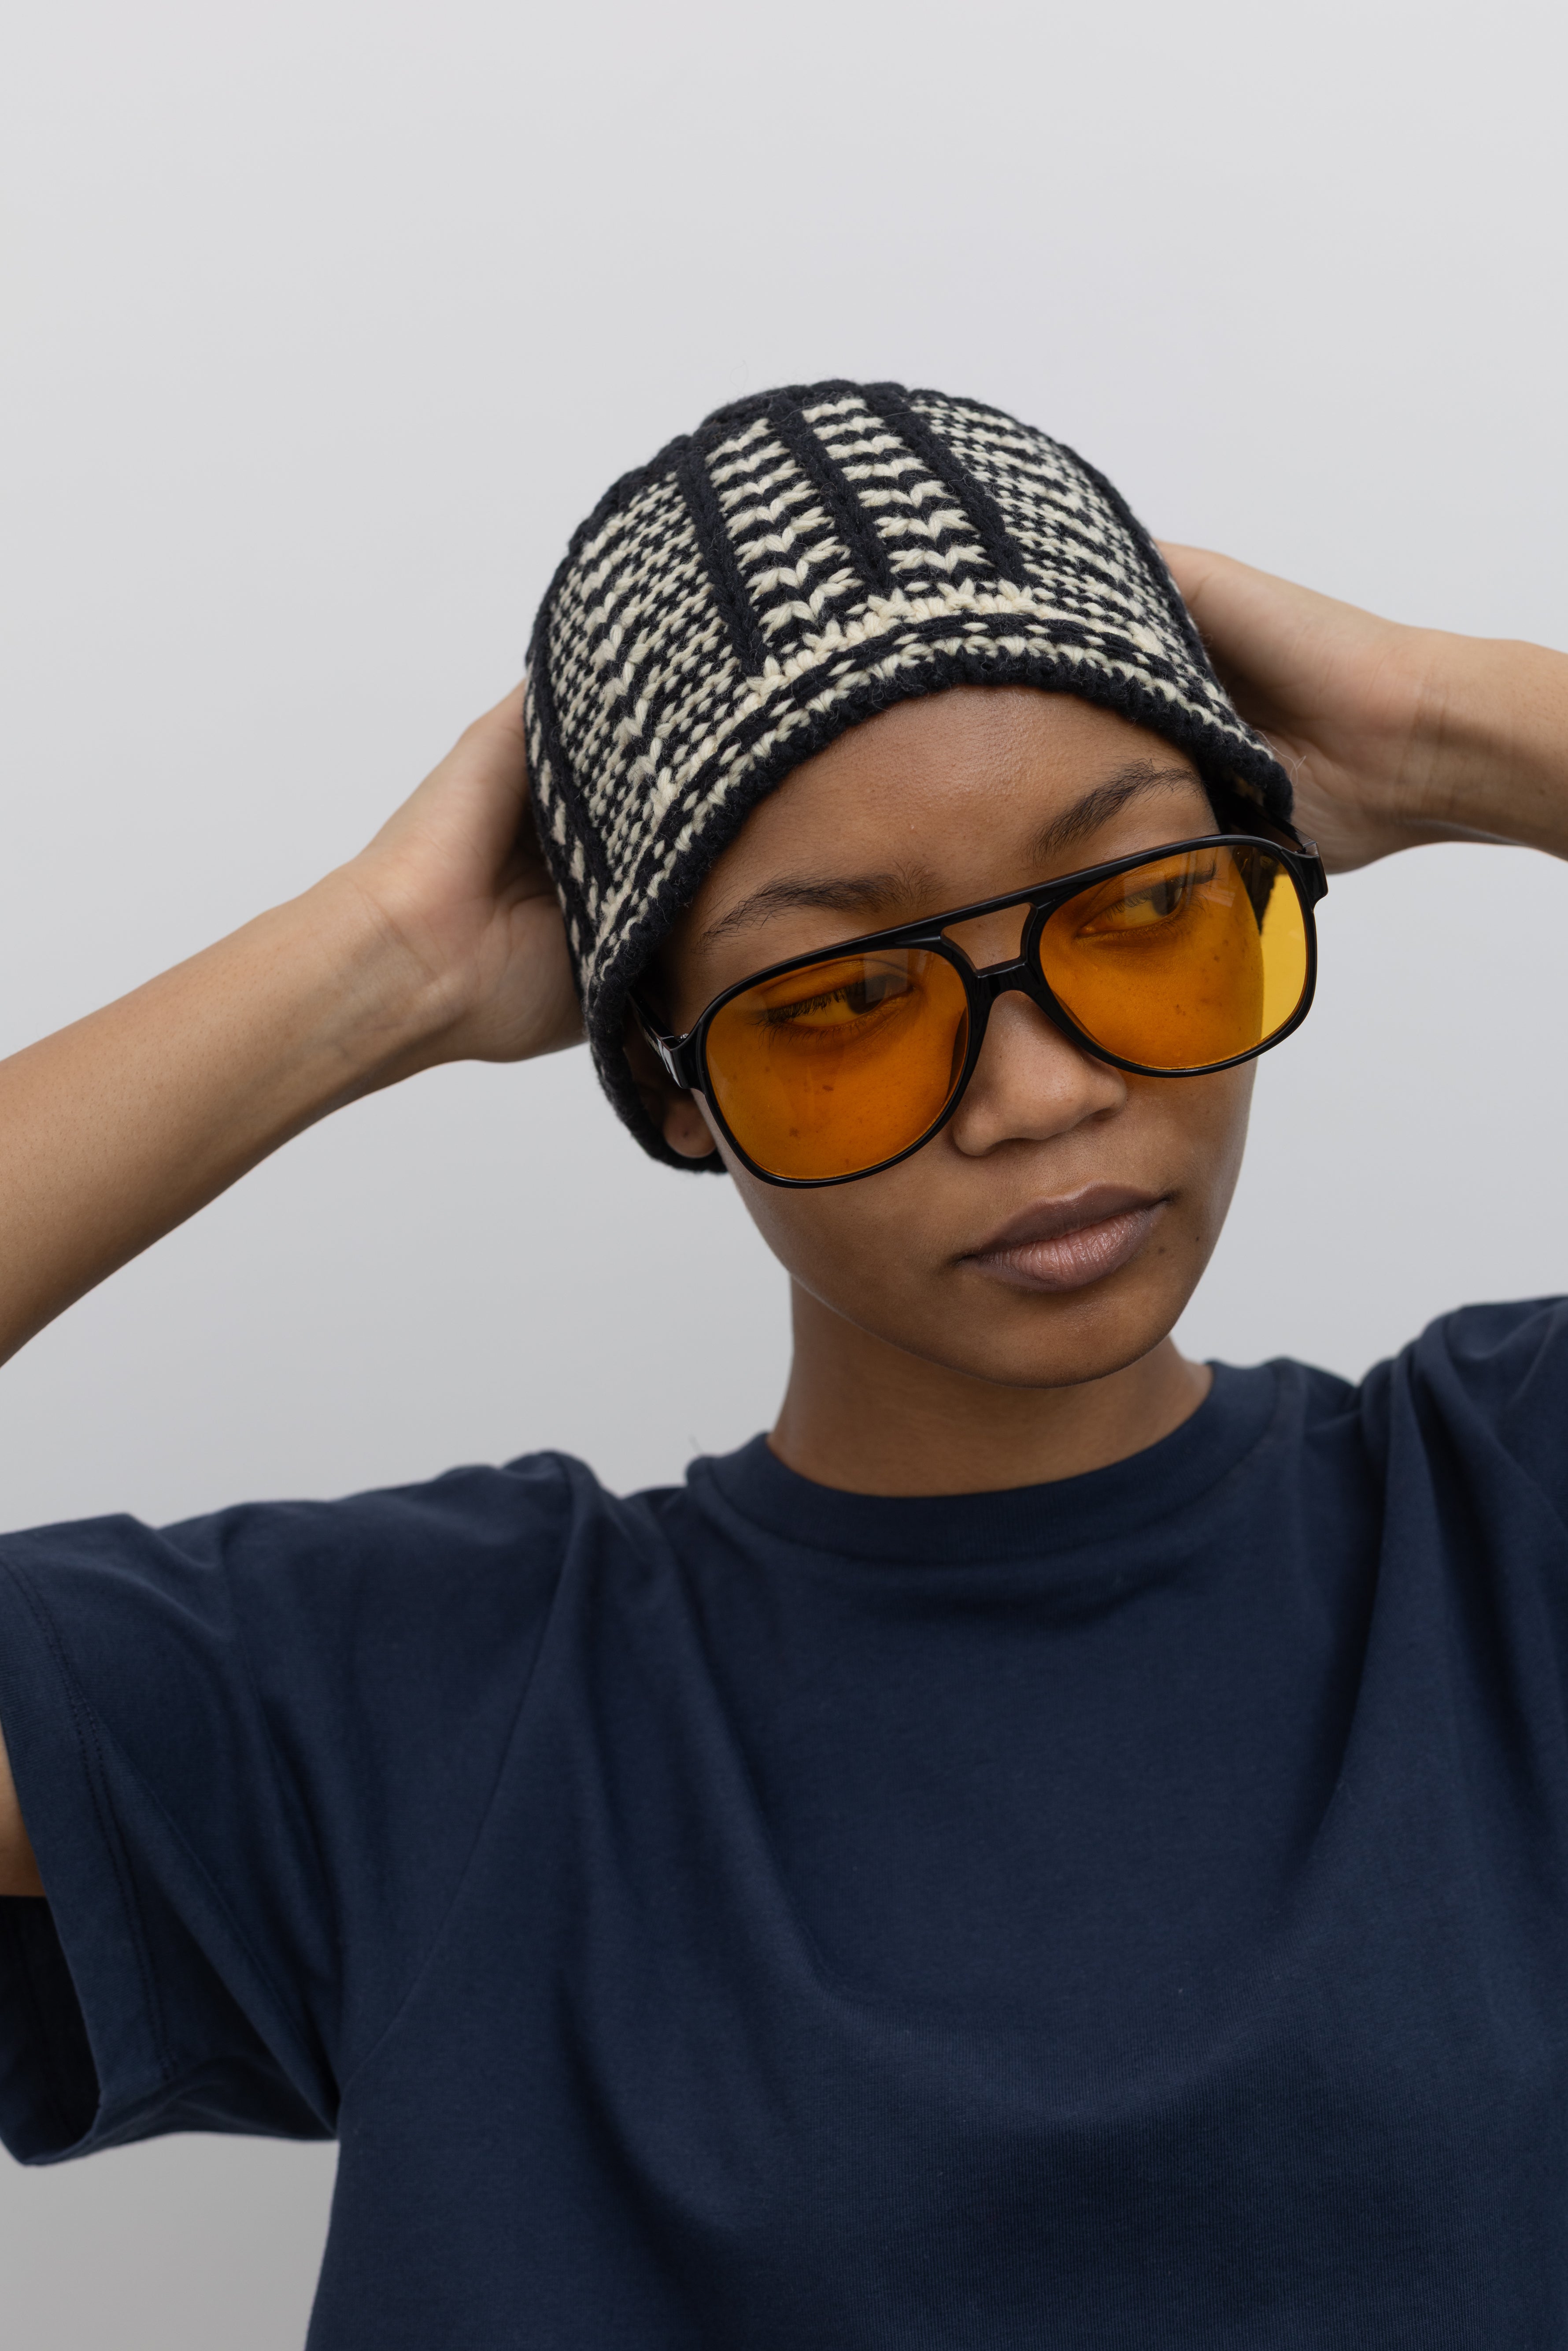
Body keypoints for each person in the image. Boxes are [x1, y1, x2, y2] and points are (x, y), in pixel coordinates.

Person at [1, 379, 1566, 2347]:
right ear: (670, 1081)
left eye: (1147, 910)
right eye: (839, 997)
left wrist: (1459, 732)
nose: (1042, 1088)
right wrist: (372, 966)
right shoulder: (411, 1701)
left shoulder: (1505, 1523)